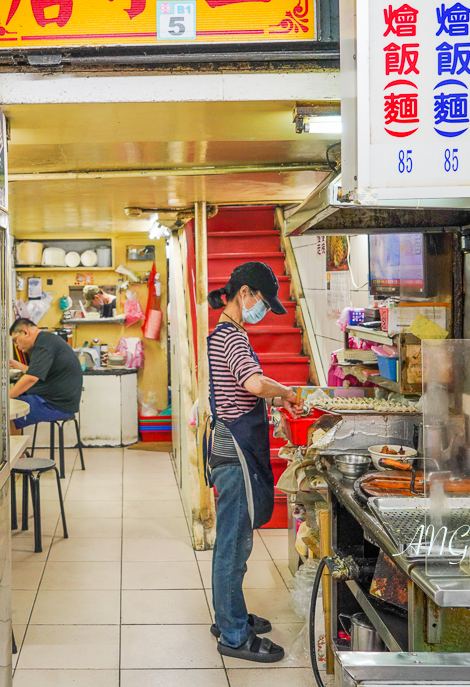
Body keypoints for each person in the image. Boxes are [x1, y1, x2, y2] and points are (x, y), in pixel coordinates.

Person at [206, 261, 300, 663]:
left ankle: (232, 615)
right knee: (233, 545)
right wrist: (288, 391)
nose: (263, 312)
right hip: (235, 454)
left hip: (233, 449)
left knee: (235, 542)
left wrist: (276, 397)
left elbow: (248, 389)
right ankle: (233, 635)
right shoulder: (232, 338)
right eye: (262, 303)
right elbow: (253, 384)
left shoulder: (228, 333)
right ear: (244, 294)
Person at [9, 318, 84, 429]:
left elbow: (31, 378)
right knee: (15, 404)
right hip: (59, 401)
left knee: (7, 412)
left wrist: (5, 398)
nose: (16, 345)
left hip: (55, 405)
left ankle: (12, 447)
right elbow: (35, 371)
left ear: (25, 332)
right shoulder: (46, 340)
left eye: (15, 340)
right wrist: (15, 364)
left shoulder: (43, 345)